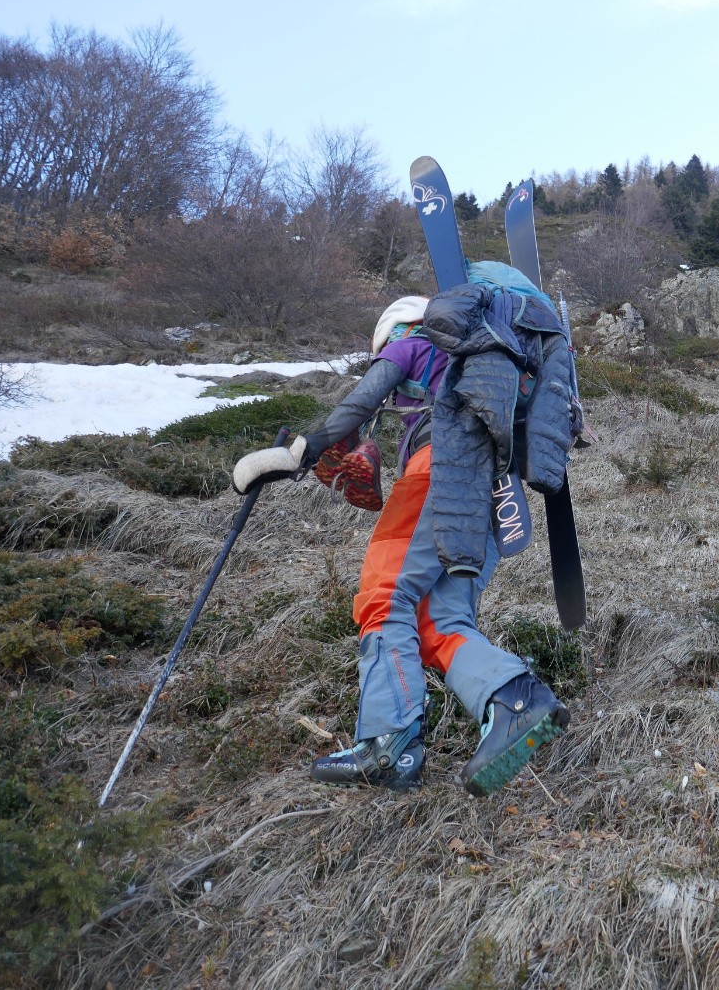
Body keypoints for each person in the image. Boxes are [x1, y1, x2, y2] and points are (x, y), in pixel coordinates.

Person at [231, 293, 569, 796]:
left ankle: (388, 742)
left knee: (385, 597)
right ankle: (515, 699)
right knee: (439, 620)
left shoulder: (413, 342)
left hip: (440, 474)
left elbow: (366, 396)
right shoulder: (494, 359)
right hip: (498, 496)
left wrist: (303, 450)